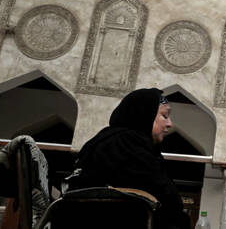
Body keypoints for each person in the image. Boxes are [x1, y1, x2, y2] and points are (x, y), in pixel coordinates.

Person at [69, 88, 190, 229]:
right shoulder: (127, 143)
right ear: (145, 115)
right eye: (164, 115)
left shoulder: (105, 140)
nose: (169, 123)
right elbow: (167, 198)